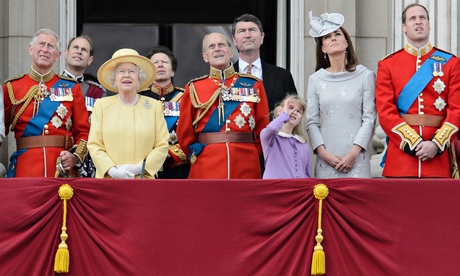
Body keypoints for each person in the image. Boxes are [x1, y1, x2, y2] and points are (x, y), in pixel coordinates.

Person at [375, 4, 460, 178]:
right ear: (404, 28)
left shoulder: (451, 63)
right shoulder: (388, 64)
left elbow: (456, 110)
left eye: (422, 18)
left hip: (438, 158)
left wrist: (436, 144)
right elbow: (385, 112)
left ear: (429, 25)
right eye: (412, 19)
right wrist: (413, 143)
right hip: (401, 159)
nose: (418, 22)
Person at [177, 32, 269, 179]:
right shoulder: (194, 87)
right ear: (205, 56)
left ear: (231, 51)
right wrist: (199, 154)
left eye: (221, 45)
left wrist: (249, 152)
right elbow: (184, 133)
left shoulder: (254, 84)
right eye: (211, 47)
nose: (217, 49)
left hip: (245, 162)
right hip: (206, 165)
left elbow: (262, 127)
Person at [2, 29, 90, 178]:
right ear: (31, 49)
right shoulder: (11, 88)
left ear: (58, 56)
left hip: (61, 170)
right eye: (41, 44)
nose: (45, 50)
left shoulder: (71, 87)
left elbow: (83, 132)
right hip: (25, 170)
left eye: (51, 46)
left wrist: (74, 156)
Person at [306, 11, 376, 178]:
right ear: (322, 47)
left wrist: (353, 154)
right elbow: (311, 122)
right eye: (327, 37)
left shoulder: (365, 75)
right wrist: (323, 153)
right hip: (326, 159)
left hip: (357, 158)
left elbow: (369, 119)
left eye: (337, 34)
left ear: (346, 42)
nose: (334, 38)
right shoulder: (315, 79)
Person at [87, 48, 169, 179]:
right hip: (109, 180)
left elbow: (162, 144)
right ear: (114, 79)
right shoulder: (101, 106)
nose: (126, 75)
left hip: (143, 180)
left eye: (131, 71)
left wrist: (139, 168)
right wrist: (112, 170)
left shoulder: (154, 106)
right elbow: (94, 144)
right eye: (121, 71)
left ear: (139, 79)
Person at [139, 46, 190, 179]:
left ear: (173, 71)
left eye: (165, 62)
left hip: (177, 167)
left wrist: (170, 153)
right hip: (144, 166)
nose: (160, 65)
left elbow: (193, 134)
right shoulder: (138, 98)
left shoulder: (186, 98)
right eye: (155, 63)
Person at [232, 13, 297, 113]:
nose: (247, 35)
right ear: (234, 40)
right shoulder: (223, 77)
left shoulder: (283, 76)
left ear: (262, 37)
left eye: (252, 30)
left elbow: (294, 112)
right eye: (242, 31)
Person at [63, 34, 106, 177]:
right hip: (59, 156)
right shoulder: (51, 86)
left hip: (88, 162)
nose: (79, 51)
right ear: (65, 53)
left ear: (90, 60)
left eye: (84, 50)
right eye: (75, 47)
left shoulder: (97, 92)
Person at [260, 95, 311, 179]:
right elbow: (272, 129)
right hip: (276, 189)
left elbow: (307, 173)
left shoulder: (303, 143)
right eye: (290, 108)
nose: (294, 112)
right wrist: (284, 116)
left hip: (299, 190)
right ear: (279, 111)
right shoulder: (271, 138)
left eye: (299, 111)